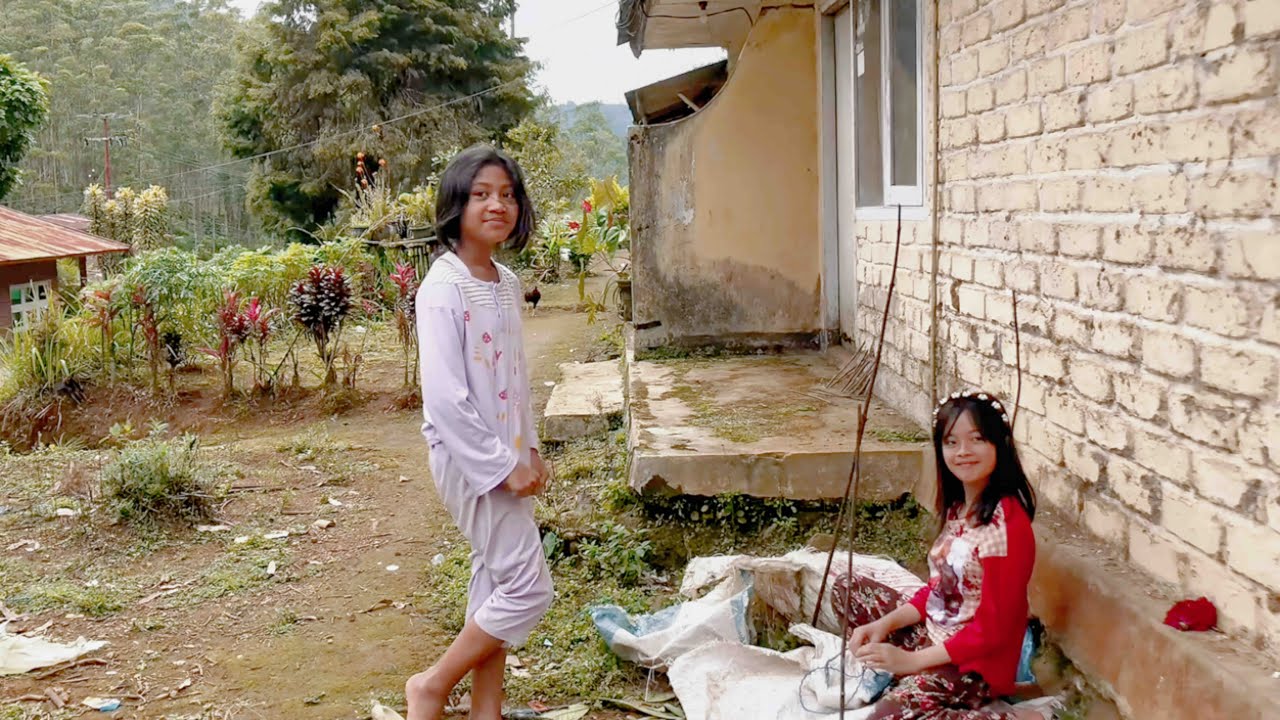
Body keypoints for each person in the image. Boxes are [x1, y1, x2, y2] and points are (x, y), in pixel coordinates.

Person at [405, 145, 553, 720]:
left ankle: (485, 710)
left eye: (509, 195)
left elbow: (515, 378)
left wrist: (531, 448)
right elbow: (446, 400)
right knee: (528, 588)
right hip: (471, 462)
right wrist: (501, 465)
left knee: (495, 582)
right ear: (457, 204)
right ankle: (432, 686)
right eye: (483, 194)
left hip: (508, 456)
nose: (499, 205)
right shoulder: (442, 288)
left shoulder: (505, 280)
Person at [841, 390, 1042, 720]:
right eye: (951, 442)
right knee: (850, 589)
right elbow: (939, 592)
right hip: (935, 639)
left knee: (885, 716)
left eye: (976, 439)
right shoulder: (959, 508)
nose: (963, 452)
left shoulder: (1005, 525)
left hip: (972, 667)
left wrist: (911, 661)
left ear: (998, 445)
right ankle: (911, 680)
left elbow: (994, 630)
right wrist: (885, 623)